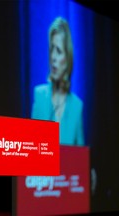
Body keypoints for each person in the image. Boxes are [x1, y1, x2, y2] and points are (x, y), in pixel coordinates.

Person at [31, 16, 84, 146]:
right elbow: (29, 147)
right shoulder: (39, 95)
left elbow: (81, 157)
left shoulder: (77, 106)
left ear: (68, 59)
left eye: (59, 51)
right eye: (52, 49)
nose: (53, 57)